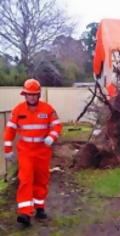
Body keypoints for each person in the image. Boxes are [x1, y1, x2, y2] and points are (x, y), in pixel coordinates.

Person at [3, 78, 62, 227]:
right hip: (26, 151)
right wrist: (7, 148)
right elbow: (10, 130)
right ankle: (25, 213)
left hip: (43, 150)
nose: (32, 97)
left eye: (35, 94)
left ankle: (39, 207)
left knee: (41, 179)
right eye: (29, 94)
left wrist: (51, 136)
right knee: (26, 178)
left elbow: (57, 126)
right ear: (24, 95)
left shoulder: (48, 109)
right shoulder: (18, 110)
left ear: (39, 94)